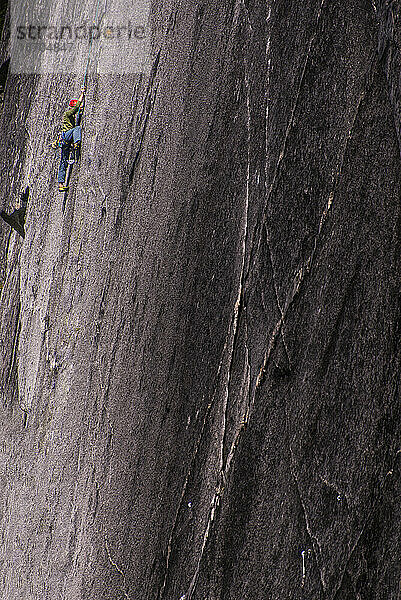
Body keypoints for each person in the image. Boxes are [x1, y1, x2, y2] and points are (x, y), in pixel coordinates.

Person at [57, 87, 85, 192]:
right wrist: (82, 94)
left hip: (65, 141)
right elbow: (76, 108)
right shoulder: (67, 114)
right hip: (66, 137)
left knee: (63, 161)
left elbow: (78, 109)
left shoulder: (72, 117)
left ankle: (60, 184)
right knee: (77, 128)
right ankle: (77, 142)